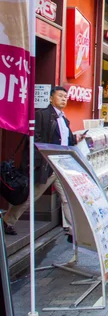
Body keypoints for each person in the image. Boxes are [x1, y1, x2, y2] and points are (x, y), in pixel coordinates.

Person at [3, 86, 82, 240]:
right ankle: (7, 221)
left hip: (61, 164)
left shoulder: (64, 119)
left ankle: (73, 231)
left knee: (67, 197)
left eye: (65, 97)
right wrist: (37, 162)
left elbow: (66, 140)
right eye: (60, 96)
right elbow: (34, 140)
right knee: (30, 197)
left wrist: (77, 139)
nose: (64, 99)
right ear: (51, 98)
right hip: (47, 165)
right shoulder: (42, 115)